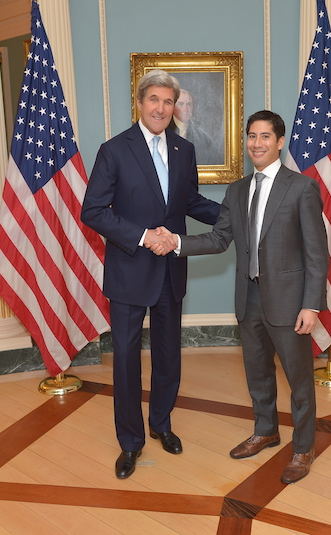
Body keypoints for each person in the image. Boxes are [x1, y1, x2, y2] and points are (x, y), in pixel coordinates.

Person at [157, 110, 328, 484]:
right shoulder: (236, 190)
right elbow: (220, 239)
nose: (257, 143)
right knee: (257, 374)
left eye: (266, 136)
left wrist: (311, 305)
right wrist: (176, 242)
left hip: (289, 301)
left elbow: (317, 252)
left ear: (280, 142)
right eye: (252, 136)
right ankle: (265, 430)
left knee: (299, 381)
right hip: (248, 297)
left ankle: (303, 448)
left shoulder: (301, 187)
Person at [81, 69, 221, 480]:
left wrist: (238, 214)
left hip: (170, 270)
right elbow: (93, 210)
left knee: (168, 354)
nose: (162, 108)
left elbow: (190, 200)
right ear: (140, 103)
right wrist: (143, 236)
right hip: (129, 270)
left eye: (168, 101)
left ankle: (161, 423)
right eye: (154, 100)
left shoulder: (182, 148)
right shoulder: (114, 149)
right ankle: (130, 442)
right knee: (125, 360)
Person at [169, 89, 222, 165]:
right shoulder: (162, 132)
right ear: (173, 107)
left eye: (189, 104)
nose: (186, 109)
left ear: (193, 107)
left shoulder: (204, 139)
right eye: (181, 104)